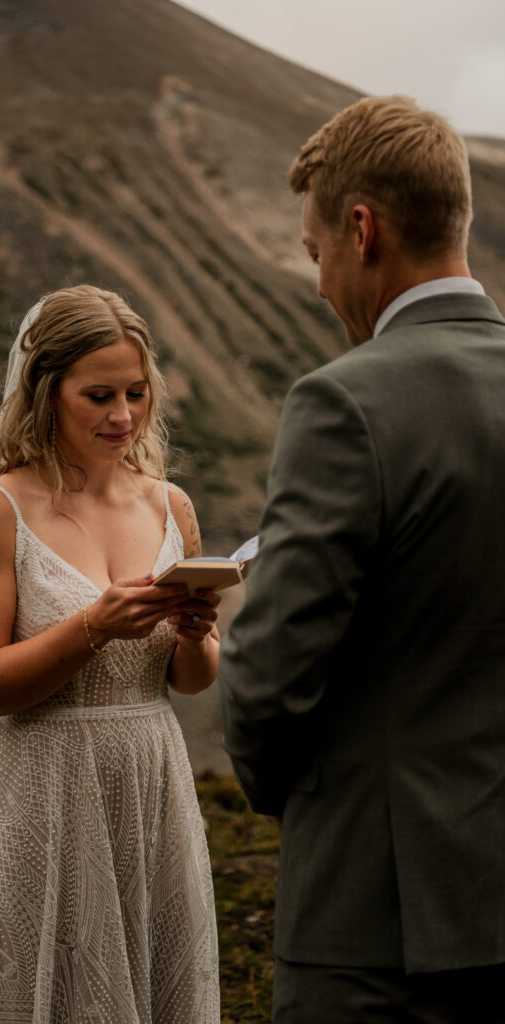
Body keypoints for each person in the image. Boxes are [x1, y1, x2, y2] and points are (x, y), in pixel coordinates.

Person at [218, 95, 505, 1022]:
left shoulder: (343, 405)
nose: (317, 284)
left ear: (362, 228)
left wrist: (284, 790)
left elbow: (267, 682)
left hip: (378, 923)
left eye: (314, 254)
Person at [0, 285, 221, 1023]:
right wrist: (93, 629)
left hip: (150, 786)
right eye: (98, 395)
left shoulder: (170, 507)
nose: (123, 416)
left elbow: (192, 680)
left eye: (137, 394)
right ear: (45, 391)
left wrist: (198, 631)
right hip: (39, 796)